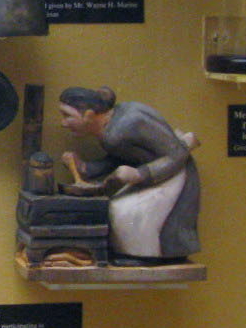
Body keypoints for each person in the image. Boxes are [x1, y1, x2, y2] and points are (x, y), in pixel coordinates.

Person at [57, 85, 200, 262]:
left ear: (89, 115)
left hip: (171, 173)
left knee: (124, 212)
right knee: (117, 209)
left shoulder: (128, 123)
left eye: (67, 115)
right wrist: (86, 168)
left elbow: (177, 153)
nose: (63, 123)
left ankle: (153, 257)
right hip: (153, 176)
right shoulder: (111, 130)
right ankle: (136, 254)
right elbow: (121, 156)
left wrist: (141, 174)